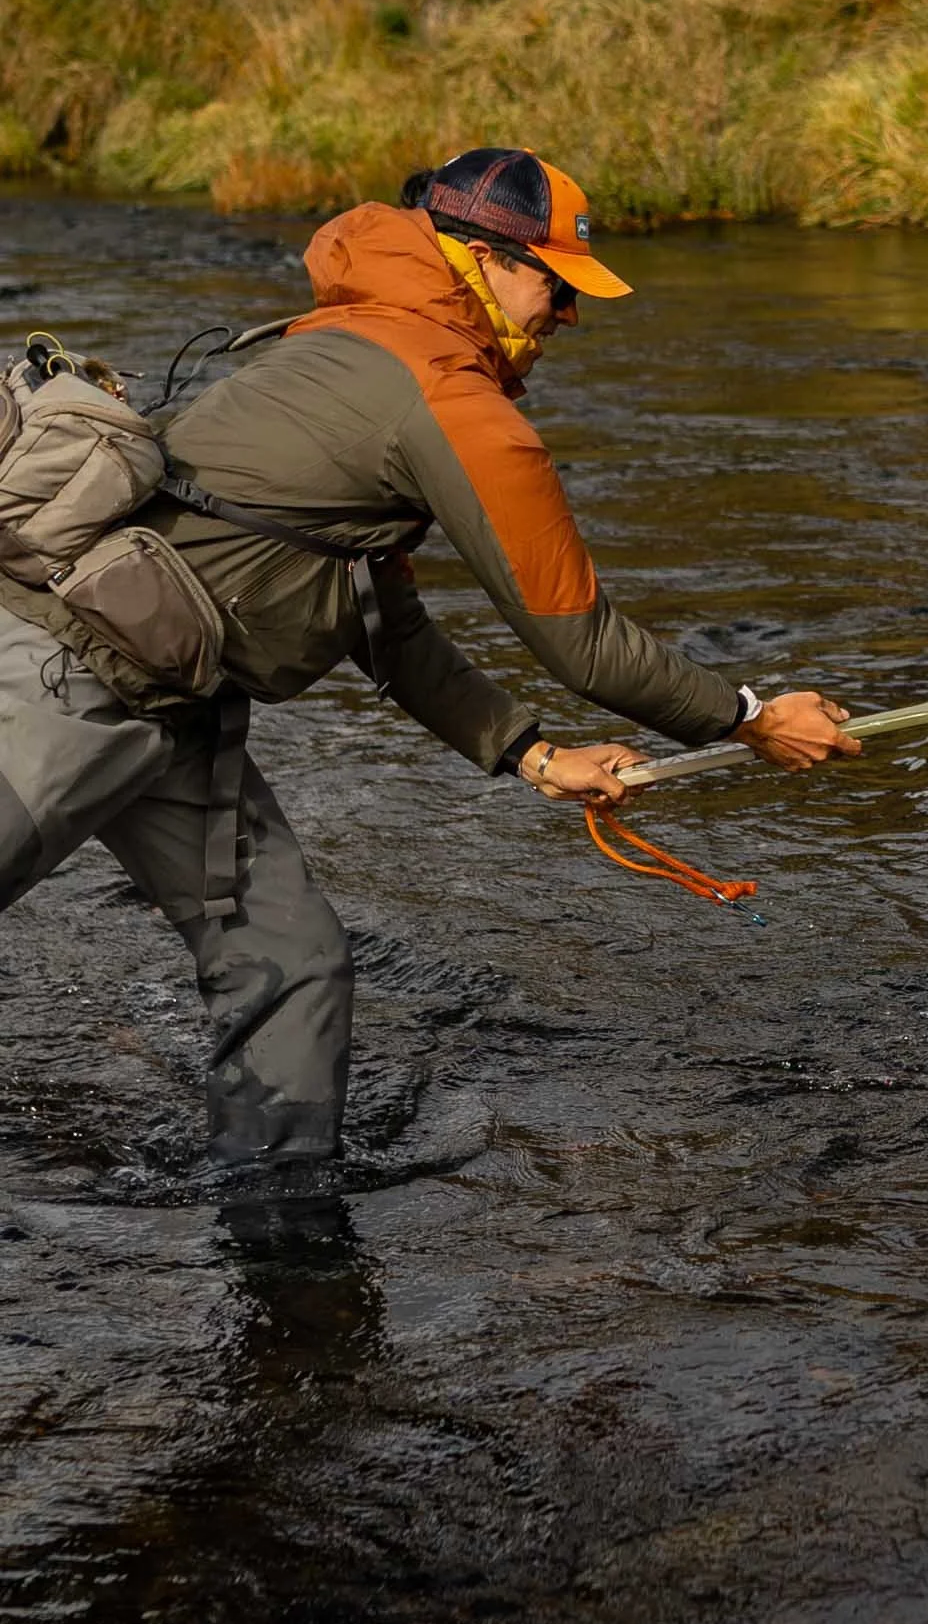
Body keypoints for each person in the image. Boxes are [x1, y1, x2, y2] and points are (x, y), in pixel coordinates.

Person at [0, 148, 857, 1170]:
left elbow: (382, 618)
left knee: (295, 967)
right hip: (61, 676)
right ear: (479, 257)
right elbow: (581, 642)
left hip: (178, 710)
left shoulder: (354, 344)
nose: (568, 315)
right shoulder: (447, 401)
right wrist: (751, 716)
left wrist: (530, 754)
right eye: (555, 282)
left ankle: (282, 1221)